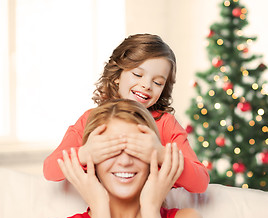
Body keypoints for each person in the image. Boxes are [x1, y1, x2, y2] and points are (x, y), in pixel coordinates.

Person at [43, 33, 209, 193]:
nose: (146, 85)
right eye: (137, 74)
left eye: (158, 82)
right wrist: (85, 154)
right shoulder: (91, 119)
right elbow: (50, 170)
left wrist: (161, 155)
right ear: (117, 75)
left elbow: (201, 182)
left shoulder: (165, 123)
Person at [44, 99, 204, 218]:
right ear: (91, 160)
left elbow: (200, 180)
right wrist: (100, 209)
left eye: (136, 149)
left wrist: (150, 209)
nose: (125, 161)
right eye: (111, 150)